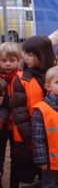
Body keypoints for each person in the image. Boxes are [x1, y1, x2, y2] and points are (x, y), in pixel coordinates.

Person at [10, 36, 55, 187]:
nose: (25, 57)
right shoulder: (22, 78)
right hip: (26, 139)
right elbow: (19, 112)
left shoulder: (55, 75)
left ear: (42, 55)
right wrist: (31, 139)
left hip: (49, 136)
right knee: (25, 175)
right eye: (25, 54)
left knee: (47, 174)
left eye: (30, 54)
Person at [0, 42, 21, 187]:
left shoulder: (20, 77)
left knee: (16, 156)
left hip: (15, 124)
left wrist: (6, 101)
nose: (8, 64)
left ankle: (14, 183)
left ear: (18, 61)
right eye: (4, 60)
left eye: (12, 60)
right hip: (1, 125)